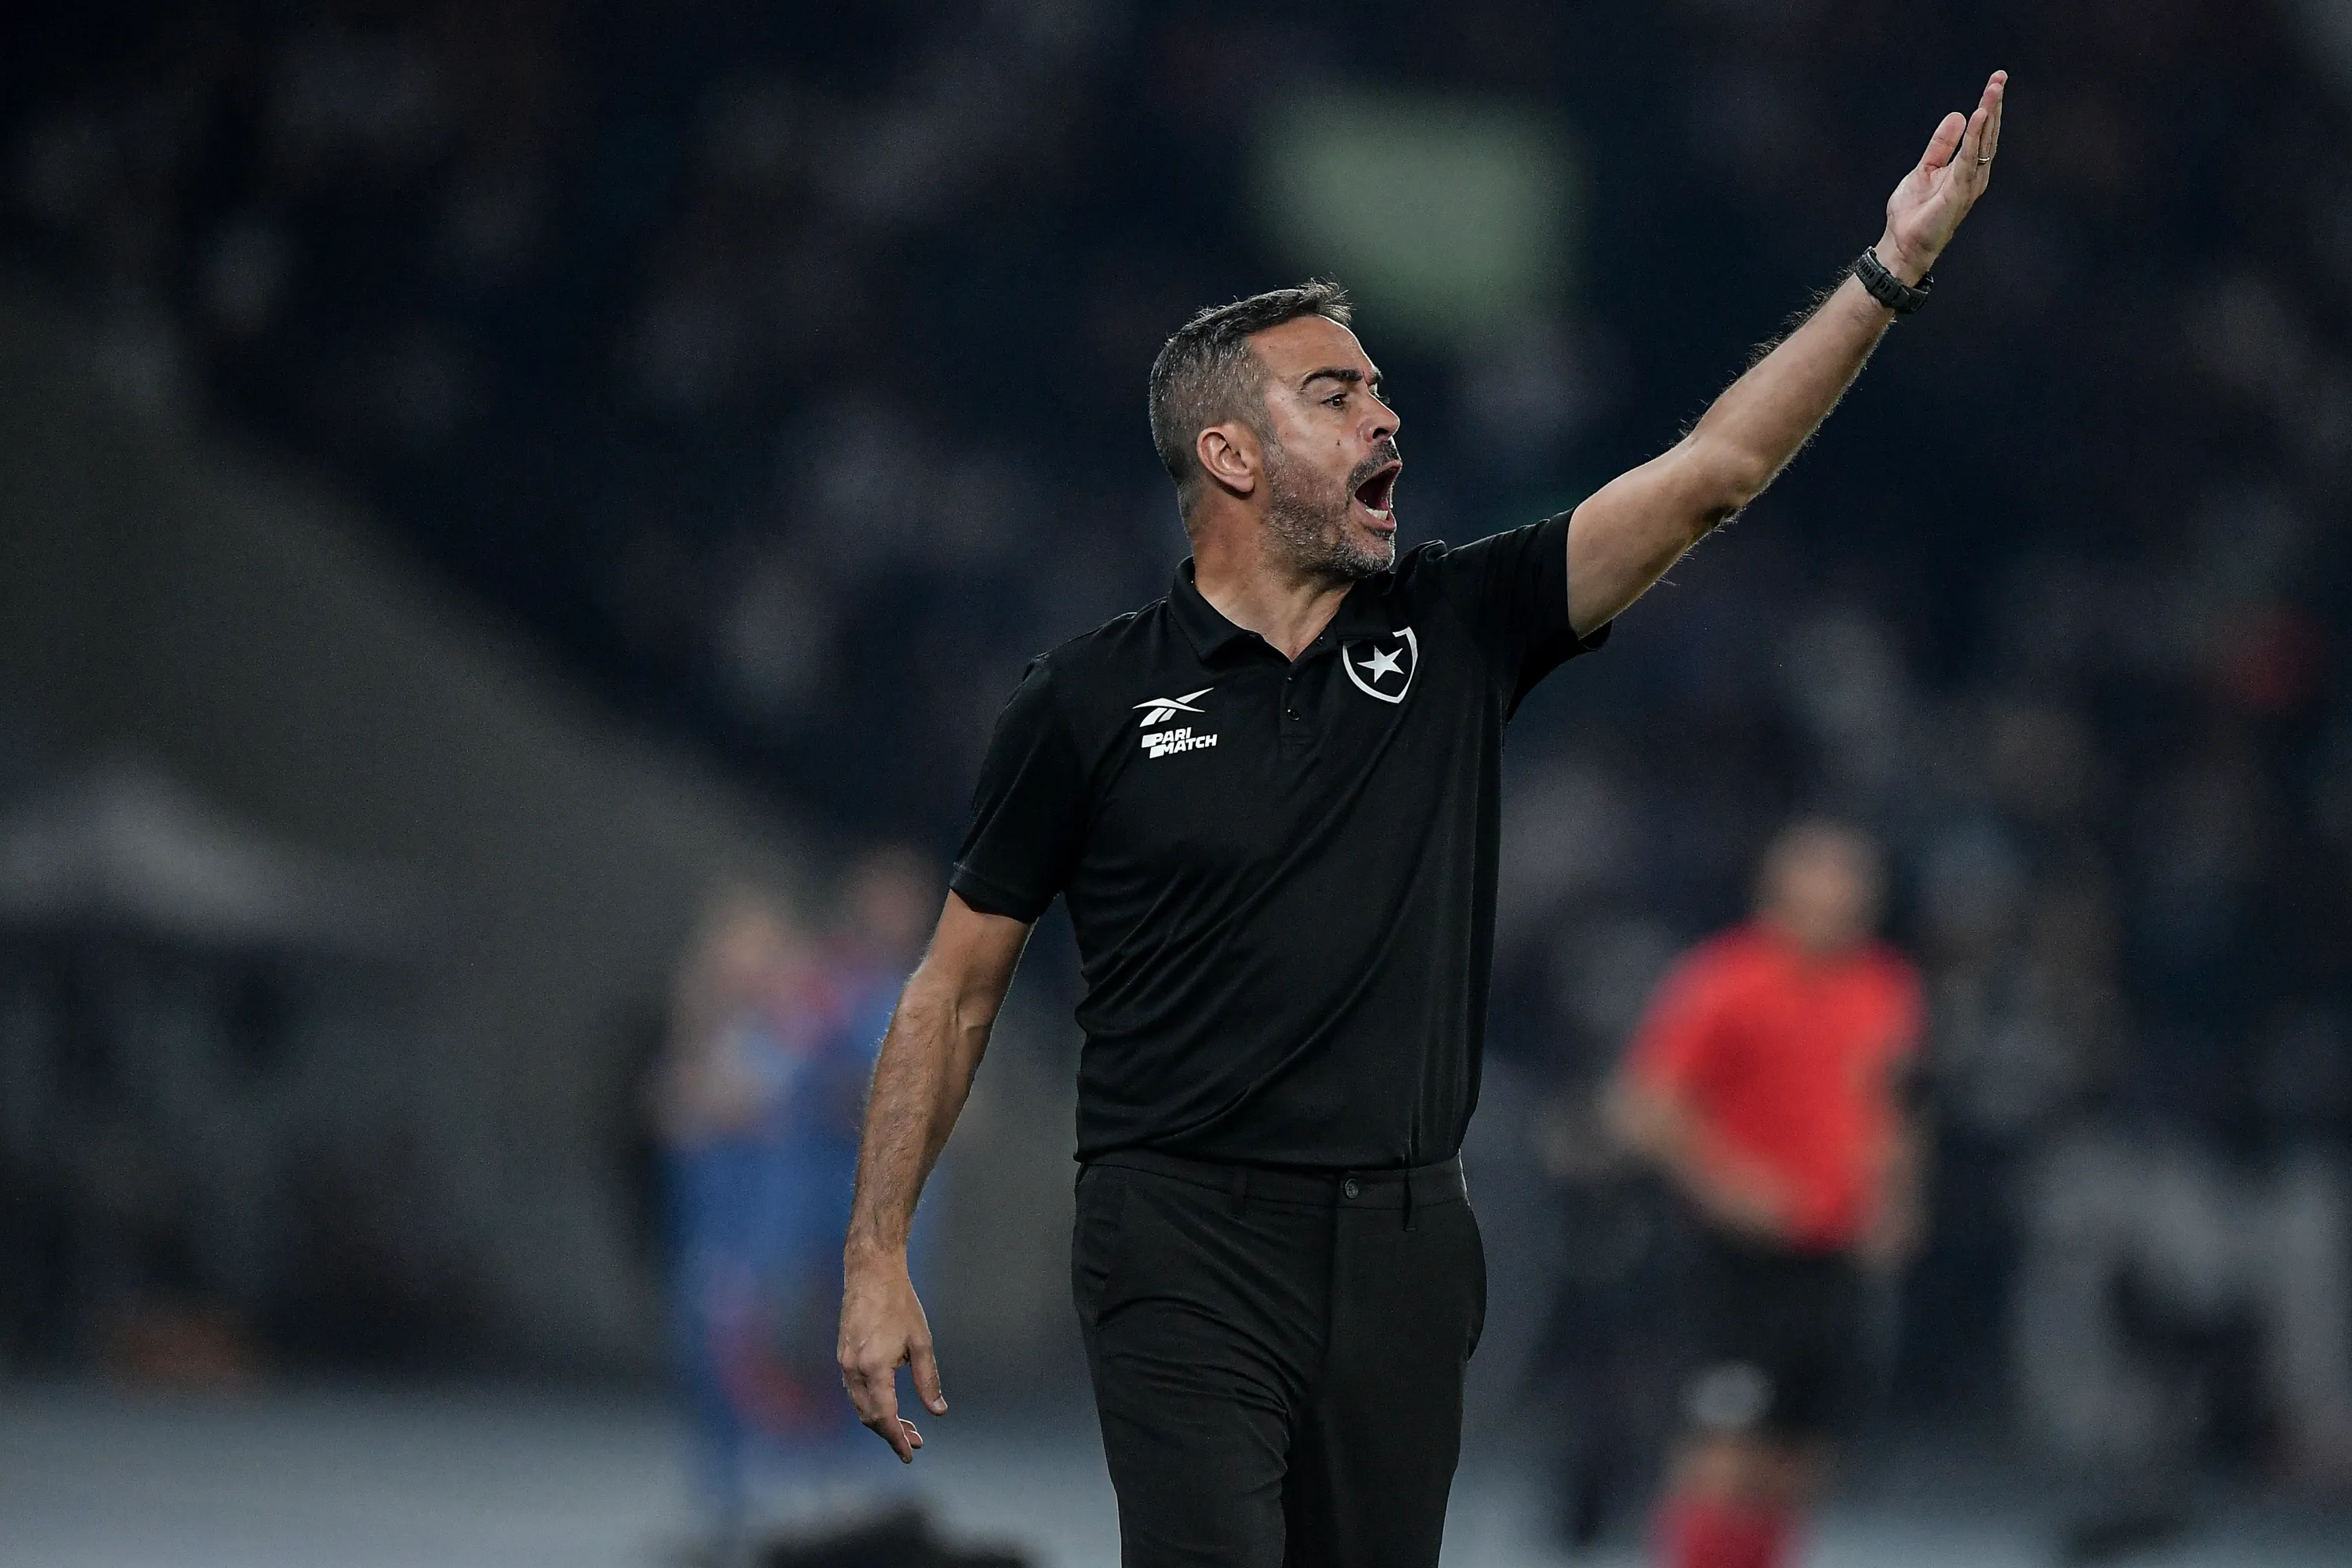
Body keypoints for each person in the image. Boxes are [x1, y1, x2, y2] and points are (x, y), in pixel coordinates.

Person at [837, 73, 2008, 1568]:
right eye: (1336, 395)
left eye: (1381, 388)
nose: (1385, 413)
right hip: (1178, 1237)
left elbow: (1713, 475)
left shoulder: (1458, 627)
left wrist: (1890, 269)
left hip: (1404, 1247)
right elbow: (953, 992)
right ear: (1231, 456)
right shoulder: (1082, 701)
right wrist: (877, 1250)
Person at [1608, 823, 1926, 1568]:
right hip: (1740, 1263)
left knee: (1800, 1458)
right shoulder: (1725, 981)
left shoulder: (1884, 986)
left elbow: (1894, 1104)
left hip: (1834, 1255)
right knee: (1724, 1449)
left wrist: (1898, 1194)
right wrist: (1727, 1184)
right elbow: (1643, 1107)